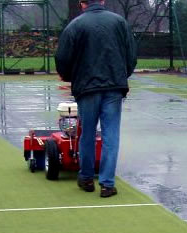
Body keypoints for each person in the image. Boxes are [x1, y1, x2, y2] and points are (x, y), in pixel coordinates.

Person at [55, 0, 137, 198]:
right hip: (114, 86)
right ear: (103, 1)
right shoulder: (119, 23)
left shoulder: (75, 25)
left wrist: (68, 76)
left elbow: (62, 58)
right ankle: (107, 184)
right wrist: (122, 75)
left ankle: (86, 178)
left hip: (86, 87)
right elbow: (131, 55)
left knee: (87, 134)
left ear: (82, 3)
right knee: (111, 135)